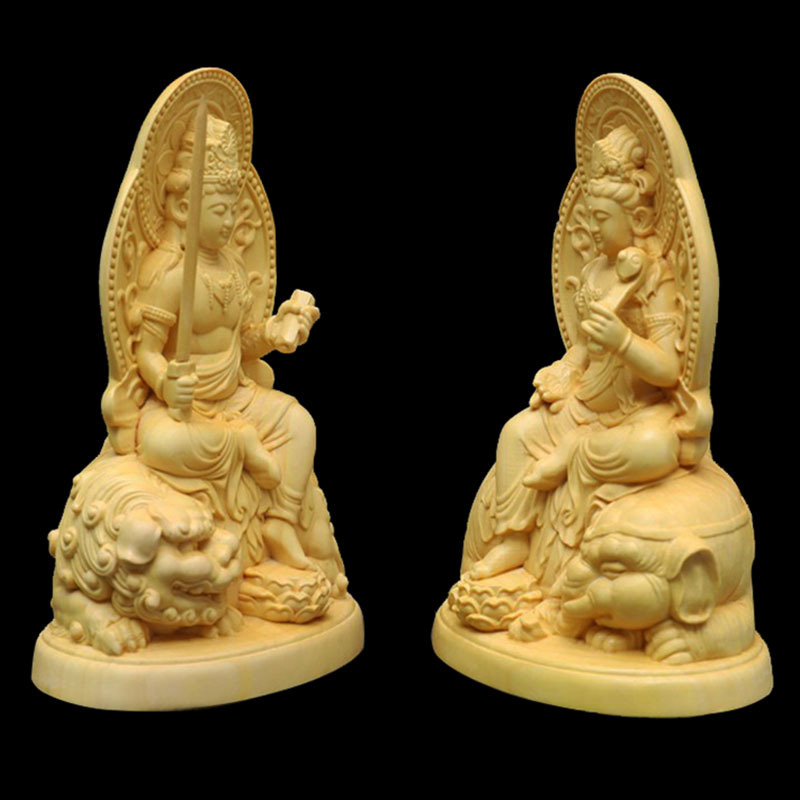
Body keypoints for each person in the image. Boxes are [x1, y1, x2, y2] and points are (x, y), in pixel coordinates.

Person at [465, 124, 687, 598]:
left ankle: (573, 456)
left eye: (603, 217)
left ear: (637, 219)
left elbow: (669, 369)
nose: (594, 228)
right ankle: (513, 539)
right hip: (588, 405)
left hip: (637, 412)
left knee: (658, 448)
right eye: (589, 217)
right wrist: (565, 368)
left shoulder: (654, 278)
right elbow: (586, 346)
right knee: (516, 432)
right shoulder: (595, 273)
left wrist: (625, 340)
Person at [114, 115, 332, 577]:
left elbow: (240, 341)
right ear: (182, 209)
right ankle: (241, 443)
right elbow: (146, 352)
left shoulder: (231, 266)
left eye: (233, 210)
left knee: (300, 422)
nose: (230, 222)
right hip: (184, 409)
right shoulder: (168, 274)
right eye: (219, 211)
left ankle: (281, 523)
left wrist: (273, 332)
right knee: (159, 444)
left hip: (235, 396)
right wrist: (165, 384)